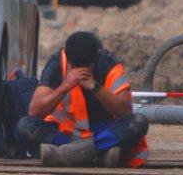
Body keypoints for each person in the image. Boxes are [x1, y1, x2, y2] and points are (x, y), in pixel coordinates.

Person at [14, 31, 150, 168]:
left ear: (94, 61)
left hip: (102, 130)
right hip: (66, 133)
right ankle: (99, 153)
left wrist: (95, 87)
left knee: (138, 122)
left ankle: (77, 154)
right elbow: (35, 111)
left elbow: (126, 110)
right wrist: (65, 86)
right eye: (74, 67)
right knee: (24, 127)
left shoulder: (108, 64)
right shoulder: (57, 63)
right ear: (68, 59)